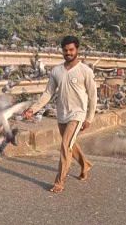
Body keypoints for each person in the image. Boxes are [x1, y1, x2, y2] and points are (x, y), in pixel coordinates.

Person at [24, 35, 97, 193]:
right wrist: (33, 109)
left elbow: (93, 96)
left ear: (77, 49)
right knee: (70, 144)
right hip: (62, 114)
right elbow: (48, 93)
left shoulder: (86, 71)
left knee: (65, 145)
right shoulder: (56, 71)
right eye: (65, 50)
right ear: (62, 51)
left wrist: (89, 118)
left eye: (71, 50)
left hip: (77, 115)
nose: (68, 53)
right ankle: (85, 165)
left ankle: (59, 182)